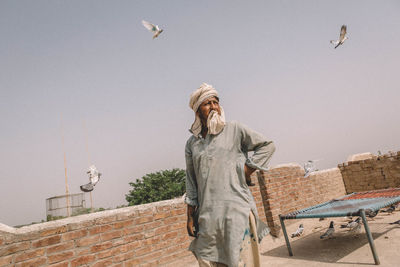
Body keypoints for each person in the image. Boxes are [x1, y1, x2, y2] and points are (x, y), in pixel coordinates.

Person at [185, 83, 276, 267]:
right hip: (207, 217)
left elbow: (267, 146)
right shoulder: (192, 144)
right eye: (207, 103)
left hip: (237, 211)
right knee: (207, 260)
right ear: (197, 110)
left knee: (240, 262)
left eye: (216, 102)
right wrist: (189, 216)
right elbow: (191, 181)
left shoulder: (234, 129)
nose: (213, 107)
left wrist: (246, 169)